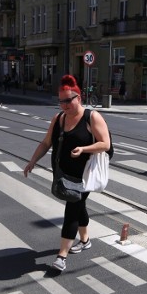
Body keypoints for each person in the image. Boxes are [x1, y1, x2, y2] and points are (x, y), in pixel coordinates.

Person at [24, 74, 111, 272]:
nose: (64, 105)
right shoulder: (59, 119)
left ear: (78, 98)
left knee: (72, 210)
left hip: (85, 174)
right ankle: (85, 239)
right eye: (61, 101)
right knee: (79, 207)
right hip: (64, 174)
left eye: (68, 101)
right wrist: (32, 161)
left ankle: (61, 257)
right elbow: (47, 142)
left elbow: (105, 144)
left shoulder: (92, 117)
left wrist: (83, 149)